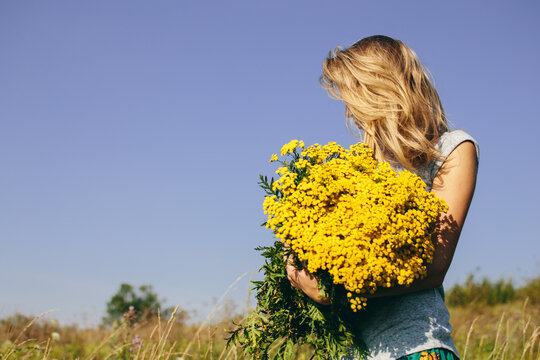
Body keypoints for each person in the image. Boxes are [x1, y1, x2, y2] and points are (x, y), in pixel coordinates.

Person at [285, 35, 479, 360]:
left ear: (379, 89)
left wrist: (337, 293)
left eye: (351, 95)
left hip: (417, 347)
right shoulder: (351, 166)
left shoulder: (452, 149)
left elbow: (434, 267)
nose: (348, 111)